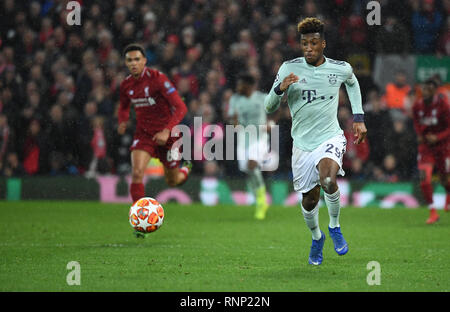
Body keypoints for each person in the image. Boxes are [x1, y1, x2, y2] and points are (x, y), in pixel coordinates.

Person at [264, 18, 367, 265]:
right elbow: (269, 107)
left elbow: (352, 82)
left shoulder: (339, 68)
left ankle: (334, 227)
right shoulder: (290, 68)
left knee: (329, 179)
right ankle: (317, 237)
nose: (308, 48)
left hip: (330, 136)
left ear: (323, 44)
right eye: (304, 44)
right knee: (309, 200)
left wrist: (359, 117)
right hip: (301, 144)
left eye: (313, 43)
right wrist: (280, 88)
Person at [118, 43, 192, 237]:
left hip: (168, 136)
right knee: (137, 173)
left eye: (136, 59)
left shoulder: (158, 79)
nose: (133, 63)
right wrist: (123, 121)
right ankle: (139, 224)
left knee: (173, 181)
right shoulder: (126, 85)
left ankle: (186, 168)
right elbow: (124, 107)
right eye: (129, 60)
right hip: (144, 134)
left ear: (144, 61)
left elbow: (181, 108)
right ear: (125, 63)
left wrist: (167, 131)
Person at [228, 73, 270, 220]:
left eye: (241, 84)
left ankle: (261, 202)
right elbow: (232, 120)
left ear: (250, 86)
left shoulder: (262, 98)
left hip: (260, 138)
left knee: (252, 165)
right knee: (249, 171)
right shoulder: (235, 99)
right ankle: (259, 197)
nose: (238, 87)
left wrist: (271, 122)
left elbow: (277, 110)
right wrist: (234, 123)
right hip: (243, 139)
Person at [412, 78, 450, 224]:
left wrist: (438, 137)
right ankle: (433, 211)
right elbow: (416, 122)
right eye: (424, 89)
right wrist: (420, 135)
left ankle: (448, 193)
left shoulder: (443, 105)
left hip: (443, 147)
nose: (425, 92)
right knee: (424, 178)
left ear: (434, 91)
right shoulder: (417, 106)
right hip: (426, 148)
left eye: (428, 89)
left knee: (444, 178)